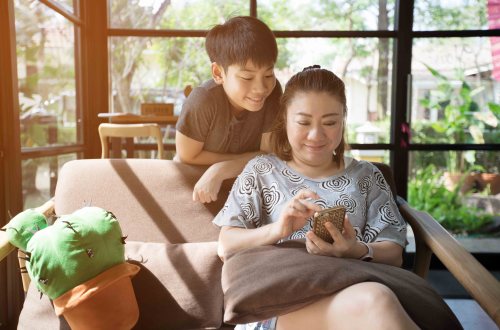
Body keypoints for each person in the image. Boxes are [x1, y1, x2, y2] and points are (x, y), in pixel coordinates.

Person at [213, 66, 419, 330]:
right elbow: (226, 245)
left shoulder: (366, 176)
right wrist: (279, 229)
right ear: (284, 118)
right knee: (375, 302)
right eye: (303, 122)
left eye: (330, 123)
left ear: (343, 120)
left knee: (374, 301)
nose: (316, 135)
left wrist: (354, 250)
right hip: (278, 304)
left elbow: (394, 252)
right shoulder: (261, 171)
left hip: (352, 291)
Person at [175, 16, 282, 203]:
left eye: (268, 74)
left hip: (244, 190)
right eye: (247, 78)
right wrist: (246, 159)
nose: (261, 88)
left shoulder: (273, 95)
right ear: (218, 73)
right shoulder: (203, 100)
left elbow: (269, 156)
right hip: (193, 187)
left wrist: (222, 169)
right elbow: (187, 156)